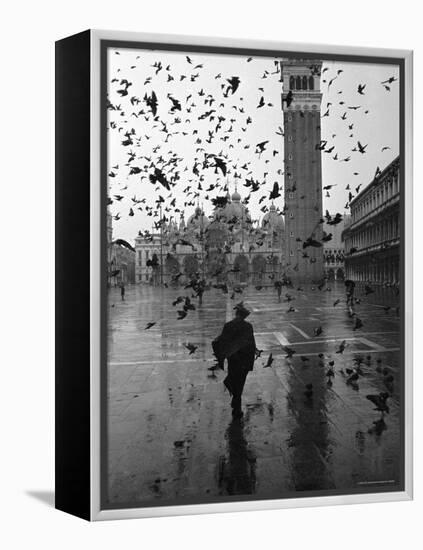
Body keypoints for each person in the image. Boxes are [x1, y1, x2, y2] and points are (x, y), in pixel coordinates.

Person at [212, 302, 256, 418]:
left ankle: (236, 403)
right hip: (244, 360)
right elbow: (251, 344)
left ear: (236, 314)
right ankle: (237, 408)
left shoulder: (228, 325)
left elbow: (221, 342)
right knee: (240, 383)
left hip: (233, 359)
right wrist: (251, 361)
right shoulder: (247, 326)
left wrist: (222, 357)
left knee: (235, 380)